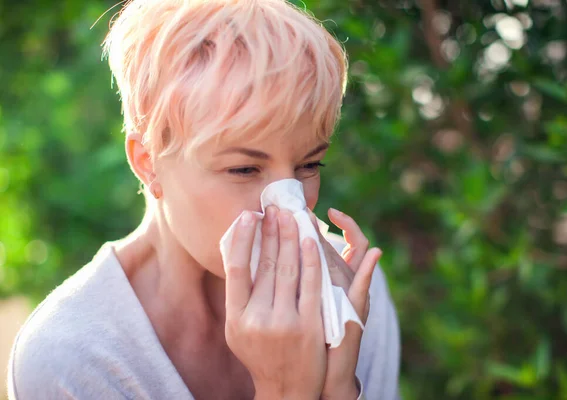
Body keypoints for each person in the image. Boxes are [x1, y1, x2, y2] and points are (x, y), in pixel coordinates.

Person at [7, 0, 401, 398]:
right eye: (244, 170)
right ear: (148, 163)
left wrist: (339, 384)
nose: (289, 206)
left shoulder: (350, 296)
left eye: (309, 165)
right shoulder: (73, 357)